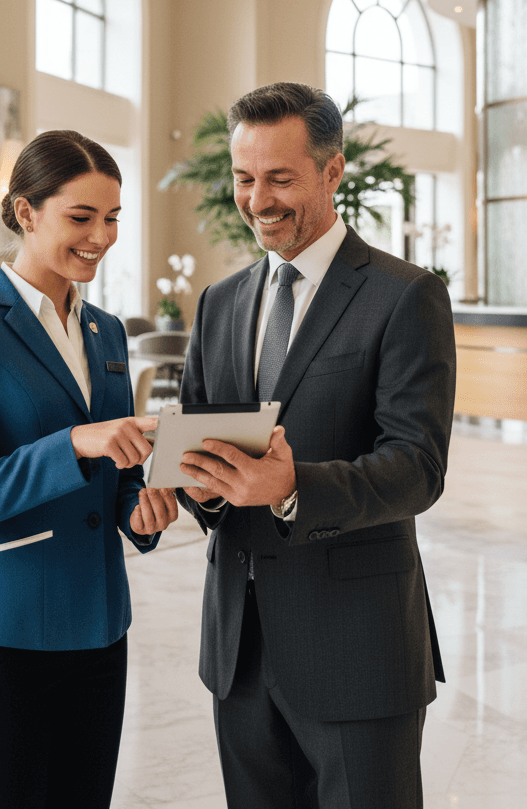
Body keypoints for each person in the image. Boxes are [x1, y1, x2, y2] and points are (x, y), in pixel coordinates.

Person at [175, 82, 456, 809]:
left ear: (333, 172)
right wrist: (198, 488)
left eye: (279, 178)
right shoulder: (218, 303)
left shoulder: (404, 295)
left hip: (357, 651)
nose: (256, 198)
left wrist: (293, 488)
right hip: (238, 650)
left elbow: (418, 467)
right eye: (243, 178)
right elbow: (197, 443)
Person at [0, 129, 178, 809]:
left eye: (113, 217)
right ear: (26, 212)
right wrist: (73, 444)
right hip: (1, 639)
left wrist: (139, 510)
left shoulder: (108, 333)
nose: (102, 236)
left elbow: (120, 475)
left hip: (99, 631)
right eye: (82, 217)